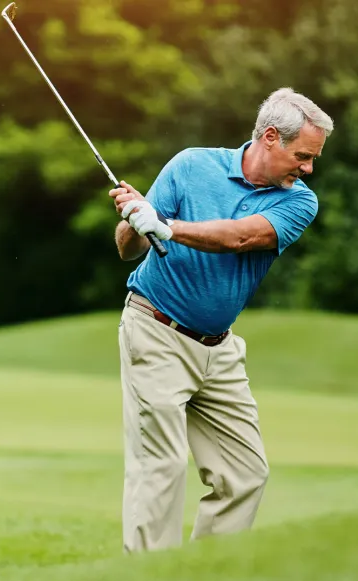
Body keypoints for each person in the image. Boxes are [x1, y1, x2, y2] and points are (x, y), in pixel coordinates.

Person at [109, 87, 334, 553]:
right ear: (271, 137)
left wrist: (167, 227)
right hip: (156, 330)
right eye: (303, 155)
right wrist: (135, 218)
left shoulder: (299, 202)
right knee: (162, 467)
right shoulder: (191, 165)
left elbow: (239, 238)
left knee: (245, 474)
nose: (309, 168)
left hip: (220, 349)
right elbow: (126, 247)